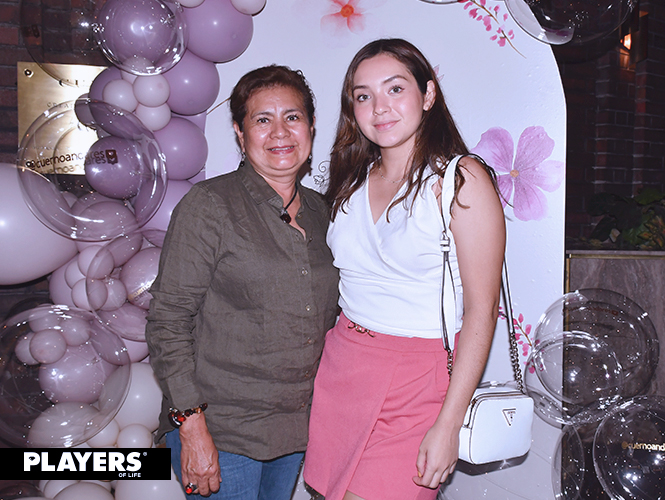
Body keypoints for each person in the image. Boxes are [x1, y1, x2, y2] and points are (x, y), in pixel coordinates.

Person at [302, 38, 506, 500]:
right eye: (364, 95)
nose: (380, 107)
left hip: (418, 381)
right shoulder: (351, 178)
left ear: (428, 94)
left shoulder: (461, 180)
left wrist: (449, 422)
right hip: (343, 368)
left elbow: (481, 309)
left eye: (395, 89)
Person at [145, 65, 339, 500]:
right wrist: (192, 428)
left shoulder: (324, 213)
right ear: (240, 131)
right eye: (262, 119)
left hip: (294, 428)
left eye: (292, 117)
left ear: (310, 126)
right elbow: (168, 321)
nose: (280, 132)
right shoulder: (210, 205)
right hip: (221, 429)